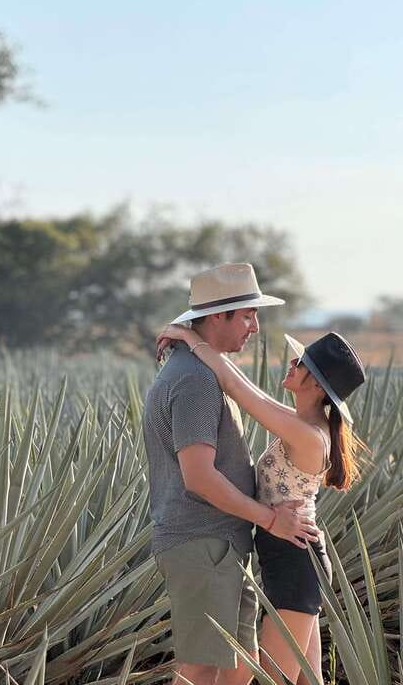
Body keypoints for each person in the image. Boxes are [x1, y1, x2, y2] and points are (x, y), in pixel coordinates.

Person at [155, 321, 366, 685]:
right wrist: (197, 340)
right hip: (288, 555)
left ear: (317, 385)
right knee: (307, 679)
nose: (292, 363)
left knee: (274, 678)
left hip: (295, 561)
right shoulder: (302, 422)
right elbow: (246, 387)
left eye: (301, 363)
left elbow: (238, 389)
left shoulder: (307, 434)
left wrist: (190, 337)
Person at [143, 263, 319, 685]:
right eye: (247, 315)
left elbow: (243, 388)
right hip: (203, 542)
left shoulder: (202, 370)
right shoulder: (196, 381)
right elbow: (200, 478)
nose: (255, 327)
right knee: (201, 668)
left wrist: (190, 337)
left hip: (220, 545)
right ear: (218, 316)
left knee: (239, 668)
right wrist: (271, 520)